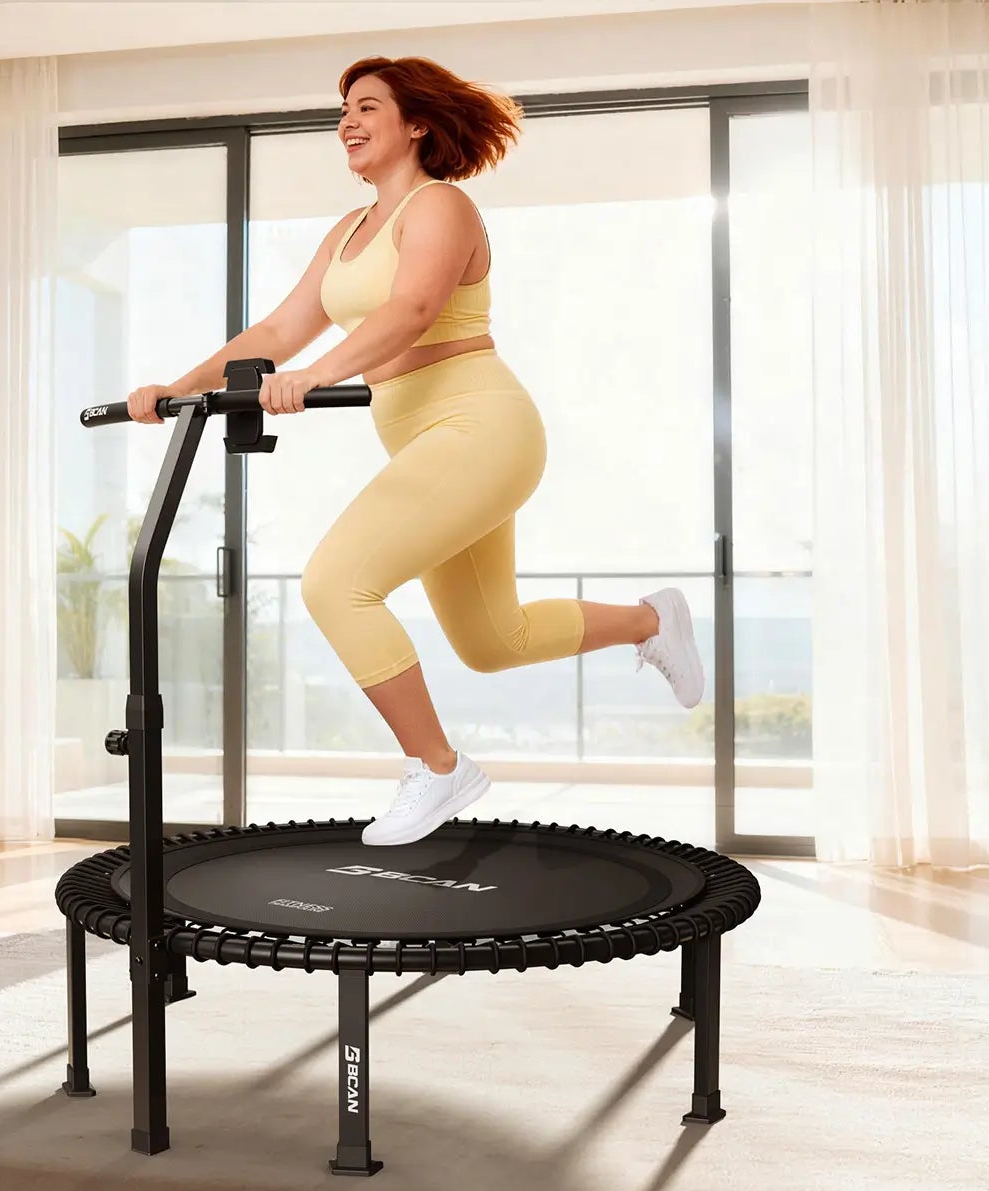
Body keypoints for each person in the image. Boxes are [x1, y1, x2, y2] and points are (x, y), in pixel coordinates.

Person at [125, 56, 705, 846]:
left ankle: (436, 767)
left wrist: (313, 377)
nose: (348, 123)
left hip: (480, 426)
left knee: (336, 584)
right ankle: (649, 619)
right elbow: (276, 332)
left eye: (368, 107)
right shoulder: (348, 232)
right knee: (493, 641)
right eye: (342, 112)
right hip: (429, 441)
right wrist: (174, 385)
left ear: (418, 123)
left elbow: (412, 309)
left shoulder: (441, 208)